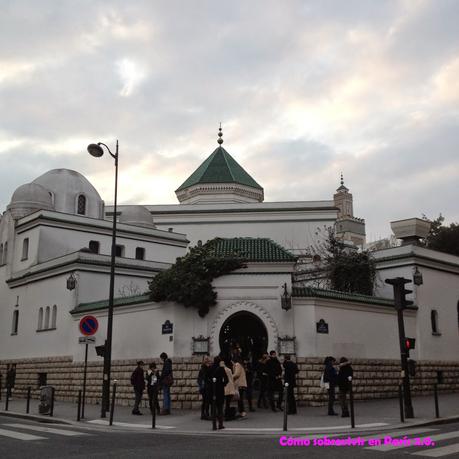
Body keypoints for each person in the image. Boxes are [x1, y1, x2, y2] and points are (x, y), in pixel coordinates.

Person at [210, 356, 229, 429]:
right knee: (220, 408)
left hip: (213, 390)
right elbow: (226, 380)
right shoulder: (221, 369)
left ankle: (214, 425)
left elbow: (207, 379)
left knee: (213, 408)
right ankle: (220, 424)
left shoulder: (211, 368)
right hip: (220, 390)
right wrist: (223, 384)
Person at [197, 355, 212, 420]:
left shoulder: (206, 367)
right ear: (203, 360)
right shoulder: (204, 368)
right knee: (206, 401)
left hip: (206, 387)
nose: (207, 360)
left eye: (207, 358)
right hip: (205, 387)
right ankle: (205, 414)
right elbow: (204, 377)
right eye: (206, 359)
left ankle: (204, 414)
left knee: (206, 401)